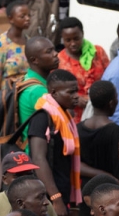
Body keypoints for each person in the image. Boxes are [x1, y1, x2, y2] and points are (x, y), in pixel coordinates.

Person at [27, 69, 84, 207]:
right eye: (70, 92)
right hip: (48, 199)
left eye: (76, 91)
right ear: (54, 93)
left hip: (62, 193)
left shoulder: (65, 117)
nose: (76, 96)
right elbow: (38, 158)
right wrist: (55, 198)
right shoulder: (42, 117)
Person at [57, 17, 109, 123]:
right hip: (75, 118)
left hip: (101, 114)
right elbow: (56, 90)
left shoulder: (98, 52)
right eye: (68, 40)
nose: (73, 43)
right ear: (62, 38)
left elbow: (110, 78)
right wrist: (76, 99)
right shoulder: (60, 61)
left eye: (76, 38)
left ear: (83, 34)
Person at [78, 84, 119, 181]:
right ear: (111, 103)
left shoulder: (78, 128)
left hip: (85, 188)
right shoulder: (114, 131)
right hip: (111, 187)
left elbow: (75, 163)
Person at [0, 0, 31, 98]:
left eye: (29, 15)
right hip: (9, 99)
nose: (27, 19)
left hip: (29, 97)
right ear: (10, 19)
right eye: (22, 16)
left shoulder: (30, 42)